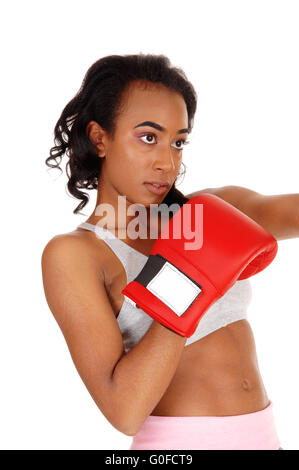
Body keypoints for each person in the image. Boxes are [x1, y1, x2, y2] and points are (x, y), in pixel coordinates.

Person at [41, 53, 297, 450]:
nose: (167, 162)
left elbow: (287, 212)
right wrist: (184, 282)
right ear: (99, 138)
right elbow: (124, 411)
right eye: (148, 137)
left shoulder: (207, 212)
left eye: (178, 141)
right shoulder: (76, 254)